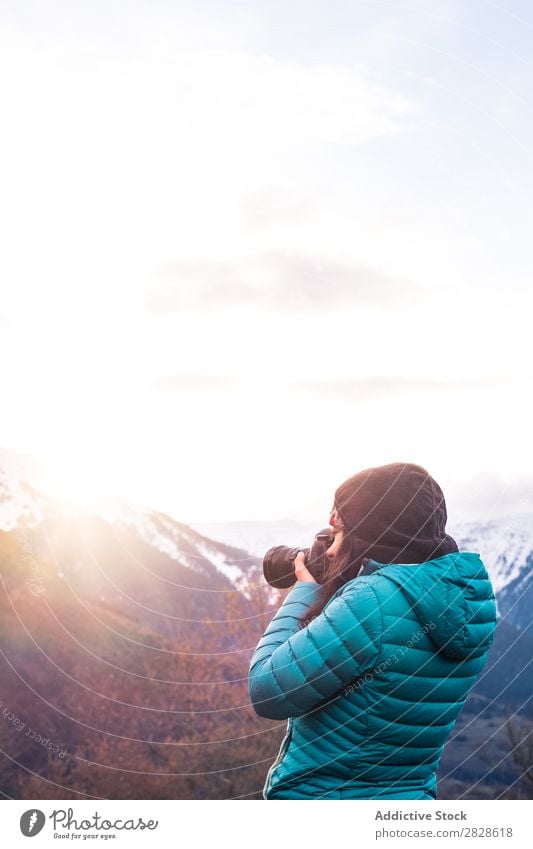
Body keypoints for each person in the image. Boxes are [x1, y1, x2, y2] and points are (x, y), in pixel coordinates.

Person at [248, 462, 497, 800]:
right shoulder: (464, 599)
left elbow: (267, 690)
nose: (331, 550)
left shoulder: (372, 603)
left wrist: (304, 592)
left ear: (370, 535)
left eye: (338, 535)